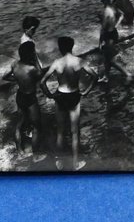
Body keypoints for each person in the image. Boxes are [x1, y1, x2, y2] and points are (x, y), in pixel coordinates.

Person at [41, 37, 97, 170]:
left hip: (60, 95)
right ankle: (75, 163)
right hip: (74, 95)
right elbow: (94, 76)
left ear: (60, 48)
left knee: (60, 131)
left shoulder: (56, 62)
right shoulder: (79, 61)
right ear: (72, 47)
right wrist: (86, 92)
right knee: (75, 132)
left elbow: (42, 82)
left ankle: (59, 161)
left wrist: (50, 95)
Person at [5, 42, 43, 154]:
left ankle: (19, 150)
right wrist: (35, 57)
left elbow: (6, 77)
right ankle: (36, 155)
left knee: (19, 124)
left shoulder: (14, 64)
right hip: (30, 98)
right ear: (30, 53)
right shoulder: (31, 69)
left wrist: (17, 79)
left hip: (20, 95)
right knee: (37, 127)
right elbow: (40, 74)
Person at [98, 0, 132, 84]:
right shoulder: (112, 7)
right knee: (107, 57)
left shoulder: (106, 11)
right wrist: (116, 25)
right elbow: (121, 14)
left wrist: (100, 42)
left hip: (108, 35)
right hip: (113, 32)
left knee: (110, 59)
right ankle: (106, 76)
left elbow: (103, 29)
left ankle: (127, 74)